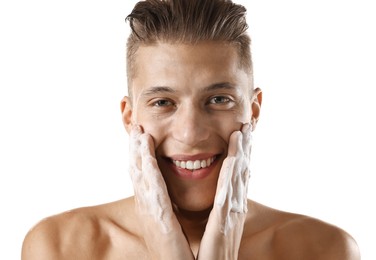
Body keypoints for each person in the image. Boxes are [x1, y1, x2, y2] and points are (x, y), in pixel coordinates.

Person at [21, 0, 360, 259]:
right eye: (163, 103)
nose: (190, 133)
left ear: (253, 110)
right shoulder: (62, 248)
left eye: (218, 99)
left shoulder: (323, 250)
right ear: (129, 117)